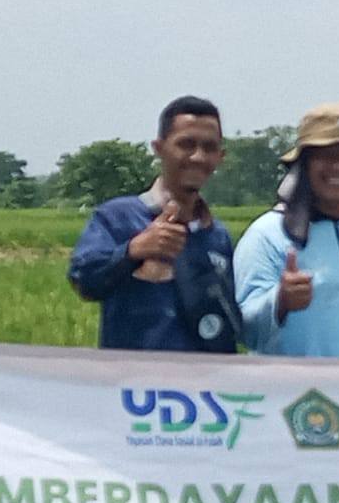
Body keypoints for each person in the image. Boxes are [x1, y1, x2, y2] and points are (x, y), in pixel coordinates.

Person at [234, 103, 339, 359]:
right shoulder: (267, 235)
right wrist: (280, 301)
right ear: (303, 165)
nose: (337, 167)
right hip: (293, 395)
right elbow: (244, 331)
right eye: (325, 156)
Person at [68, 96, 241, 352]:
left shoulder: (217, 235)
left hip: (203, 385)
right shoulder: (117, 218)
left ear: (220, 156)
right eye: (186, 144)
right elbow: (83, 280)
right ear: (159, 148)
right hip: (136, 383)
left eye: (209, 147)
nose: (198, 157)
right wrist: (133, 251)